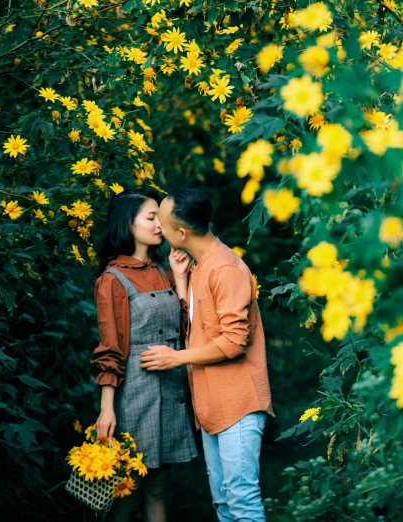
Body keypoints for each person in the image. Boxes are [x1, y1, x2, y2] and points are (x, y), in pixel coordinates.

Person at [140, 189, 274, 522]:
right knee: (225, 504)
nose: (159, 228)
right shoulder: (203, 265)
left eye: (162, 222)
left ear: (181, 233)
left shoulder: (225, 269)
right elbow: (201, 323)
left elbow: (233, 342)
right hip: (213, 403)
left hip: (238, 403)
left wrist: (176, 358)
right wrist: (183, 280)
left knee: (241, 501)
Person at [90, 189, 197, 522]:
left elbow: (185, 331)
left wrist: (179, 279)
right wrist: (107, 409)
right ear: (128, 223)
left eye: (159, 218)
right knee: (124, 492)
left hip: (170, 389)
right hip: (135, 396)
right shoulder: (112, 279)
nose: (158, 225)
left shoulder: (162, 269)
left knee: (157, 491)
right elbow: (110, 348)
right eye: (151, 217)